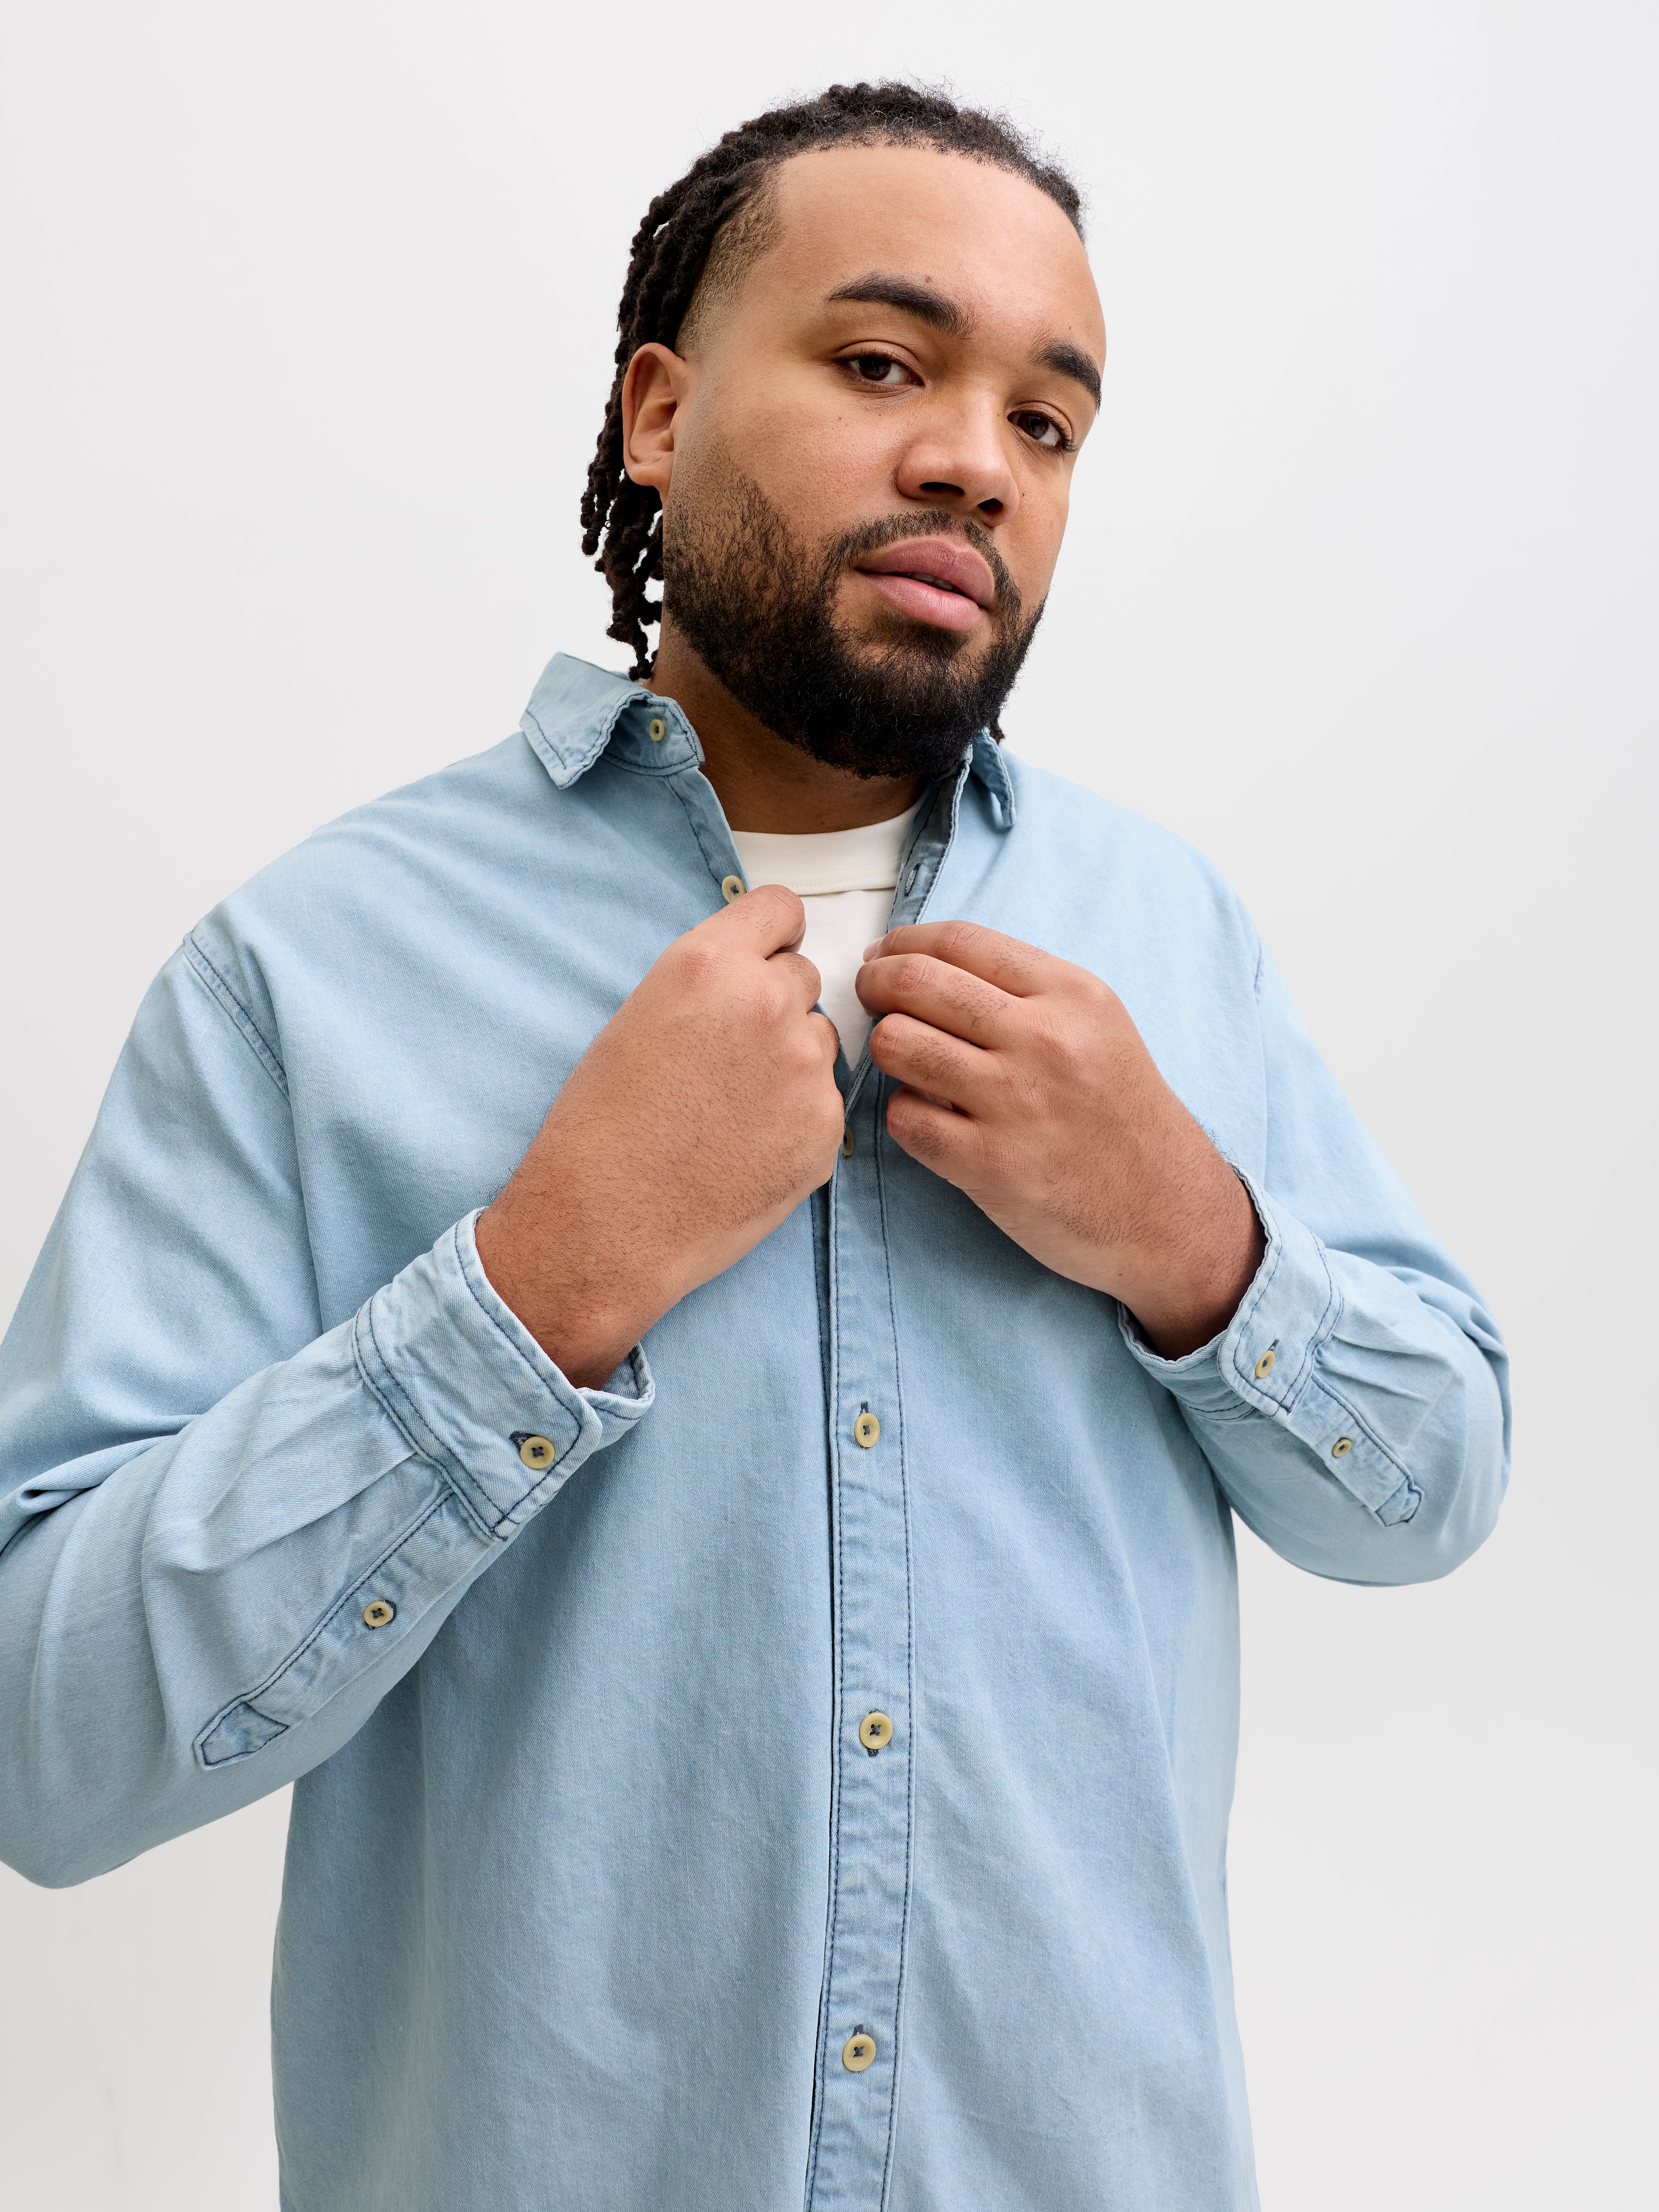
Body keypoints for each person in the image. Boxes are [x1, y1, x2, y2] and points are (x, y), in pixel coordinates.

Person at [0, 81, 1508, 2212]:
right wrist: (536, 1291)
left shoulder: (1169, 939)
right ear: (657, 411)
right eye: (882, 364)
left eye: (1045, 420)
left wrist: (1194, 1241)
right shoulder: (309, 969)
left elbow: (1434, 1490)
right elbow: (43, 1743)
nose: (974, 460)